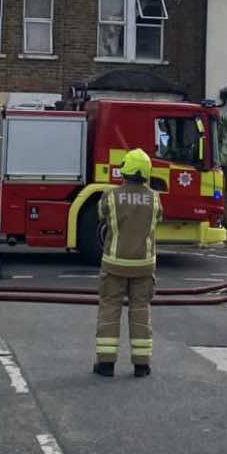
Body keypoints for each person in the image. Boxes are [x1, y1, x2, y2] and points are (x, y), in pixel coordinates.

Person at [94, 148, 161, 378]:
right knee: (140, 310)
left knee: (110, 309)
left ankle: (106, 365)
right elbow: (159, 218)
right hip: (144, 264)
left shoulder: (110, 196)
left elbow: (101, 215)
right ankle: (142, 365)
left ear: (125, 171)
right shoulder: (154, 198)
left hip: (114, 264)